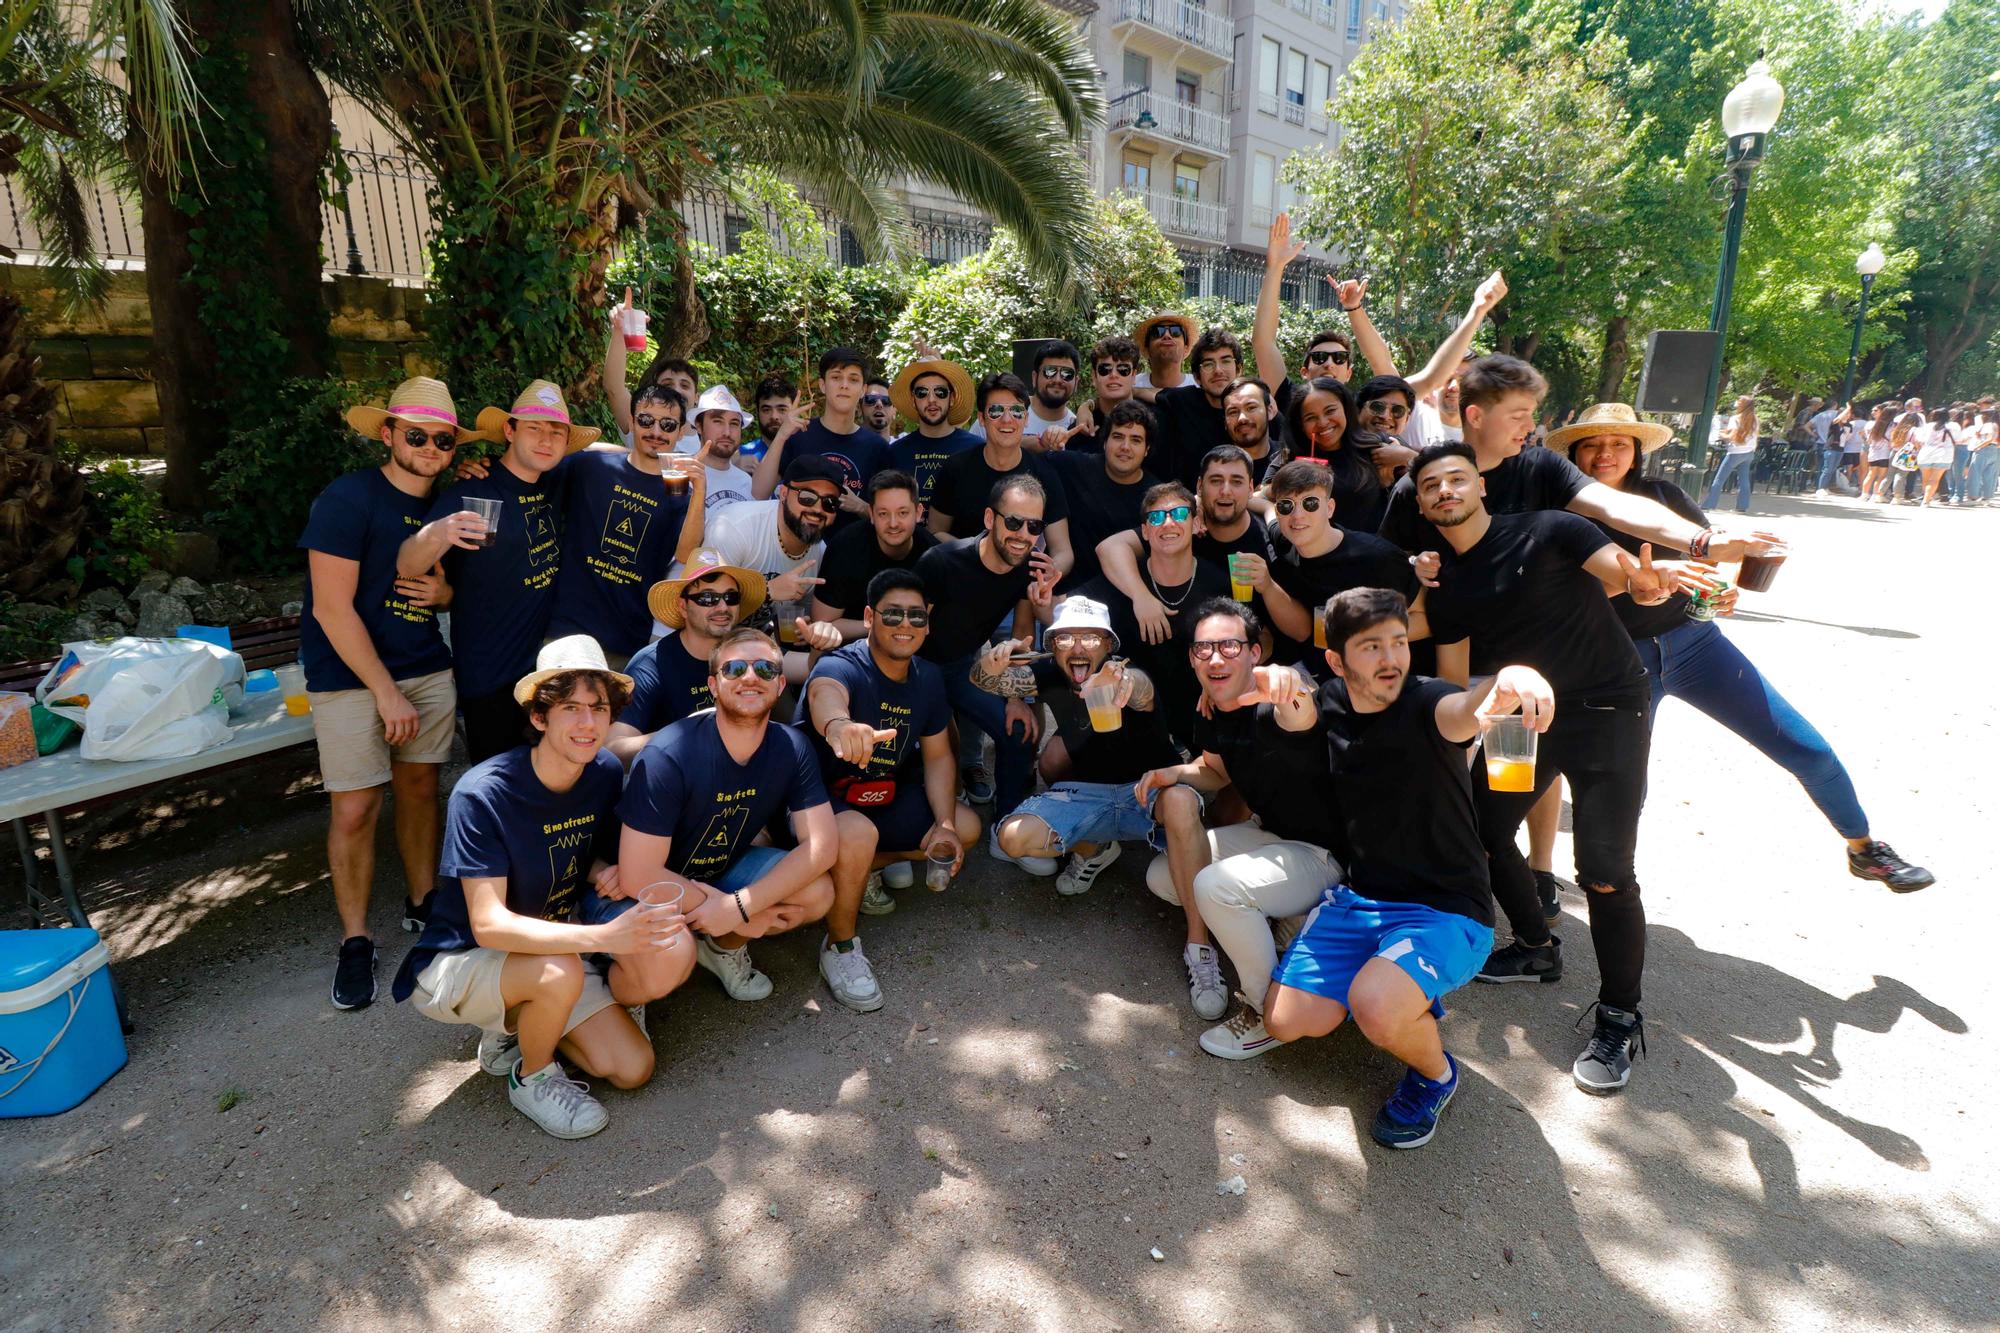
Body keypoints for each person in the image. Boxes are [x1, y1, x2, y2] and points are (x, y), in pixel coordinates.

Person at [1551, 403, 1934, 890]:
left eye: (1618, 444)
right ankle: (1606, 889)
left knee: (1806, 750)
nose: (1606, 453)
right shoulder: (1558, 515)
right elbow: (1557, 599)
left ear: (1635, 452)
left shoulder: (1663, 496)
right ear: (1575, 454)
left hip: (1695, 646)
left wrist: (1717, 591)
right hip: (1615, 663)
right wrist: (1634, 583)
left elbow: (1705, 561)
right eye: (1593, 444)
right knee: (1624, 790)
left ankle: (1864, 848)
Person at [1410, 441, 1678, 1096]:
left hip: (1608, 709)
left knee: (1606, 871)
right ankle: (1535, 944)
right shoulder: (1445, 583)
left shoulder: (1550, 528)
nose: (1444, 489)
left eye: (1456, 478)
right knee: (1482, 825)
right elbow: (1453, 684)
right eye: (1429, 485)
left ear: (1481, 486)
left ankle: (1619, 1013)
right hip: (1518, 721)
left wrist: (1642, 581)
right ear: (1420, 503)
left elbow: (1620, 572)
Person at [1262, 587, 1555, 1150]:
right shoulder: (1331, 700)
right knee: (1288, 1022)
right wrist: (1278, 690)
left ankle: (1435, 1073)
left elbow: (1466, 709)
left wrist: (1509, 677)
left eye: (1398, 642)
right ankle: (1398, 990)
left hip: (1447, 912)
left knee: (1375, 1007)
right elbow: (1299, 716)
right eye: (1370, 647)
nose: (1391, 658)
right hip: (1362, 901)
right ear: (1337, 661)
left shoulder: (1429, 703)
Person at [392, 636, 666, 1139]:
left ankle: (515, 1027)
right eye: (570, 709)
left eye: (598, 708)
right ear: (539, 717)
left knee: (632, 1068)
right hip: (461, 959)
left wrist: (605, 867)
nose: (587, 724)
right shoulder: (482, 793)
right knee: (558, 972)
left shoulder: (602, 770)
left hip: (548, 949)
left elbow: (578, 850)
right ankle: (531, 1075)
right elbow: (489, 924)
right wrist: (605, 939)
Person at [304, 377, 464, 1009]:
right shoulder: (346, 500)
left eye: (442, 439)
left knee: (423, 787)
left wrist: (445, 596)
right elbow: (331, 609)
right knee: (355, 808)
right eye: (417, 434)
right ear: (387, 433)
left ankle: (423, 904)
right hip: (350, 677)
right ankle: (356, 940)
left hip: (424, 664)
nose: (429, 447)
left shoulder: (447, 504)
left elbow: (450, 587)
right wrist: (385, 693)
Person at [1136, 599, 1336, 1052]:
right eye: (1204, 649)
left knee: (1213, 887)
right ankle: (1283, 918)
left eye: (1229, 645)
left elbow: (1299, 714)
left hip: (1324, 855)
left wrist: (1291, 688)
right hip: (1272, 836)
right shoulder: (1211, 707)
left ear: (1254, 651)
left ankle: (1265, 1008)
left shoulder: (1276, 702)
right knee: (1164, 876)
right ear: (1191, 658)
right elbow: (1215, 771)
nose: (1216, 657)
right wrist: (1174, 774)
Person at [614, 629, 839, 1003]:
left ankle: (723, 947)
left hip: (723, 872)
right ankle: (627, 996)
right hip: (645, 885)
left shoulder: (791, 746)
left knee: (815, 892)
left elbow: (822, 846)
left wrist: (738, 907)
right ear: (713, 686)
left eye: (764, 669)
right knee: (669, 953)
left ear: (781, 684)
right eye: (734, 669)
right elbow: (639, 874)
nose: (750, 677)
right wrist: (711, 907)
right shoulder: (669, 753)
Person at [803, 570, 982, 1009]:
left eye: (916, 617)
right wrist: (840, 725)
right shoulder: (842, 664)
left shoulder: (928, 677)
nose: (906, 625)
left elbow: (939, 755)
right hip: (820, 804)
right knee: (857, 836)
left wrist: (942, 823)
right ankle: (840, 946)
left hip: (880, 796)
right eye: (894, 614)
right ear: (869, 617)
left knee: (966, 827)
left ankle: (858, 873)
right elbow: (825, 693)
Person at [401, 379, 596, 764]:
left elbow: (609, 455)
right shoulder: (472, 491)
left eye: (556, 432)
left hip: (543, 673)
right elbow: (408, 563)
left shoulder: (553, 481)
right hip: (489, 676)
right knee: (498, 791)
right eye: (534, 428)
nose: (545, 440)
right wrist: (439, 531)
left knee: (549, 781)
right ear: (509, 431)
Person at [977, 597, 1180, 896]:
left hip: (1149, 791)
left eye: (1091, 637)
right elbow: (984, 681)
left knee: (1183, 816)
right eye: (1066, 637)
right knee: (1012, 838)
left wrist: (1127, 685)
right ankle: (1094, 848)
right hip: (1093, 795)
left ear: (1109, 644)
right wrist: (991, 662)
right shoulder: (1051, 676)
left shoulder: (1124, 673)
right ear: (1053, 646)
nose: (1078, 647)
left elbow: (1141, 688)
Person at [1254, 213, 1504, 438]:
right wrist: (1275, 268)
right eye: (1319, 357)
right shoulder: (1289, 399)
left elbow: (1417, 375)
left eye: (1340, 358)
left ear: (1349, 373)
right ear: (1305, 371)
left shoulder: (1366, 409)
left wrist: (1477, 310)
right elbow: (1263, 343)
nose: (1329, 363)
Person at [914, 474, 1053, 823]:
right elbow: (906, 632)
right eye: (1014, 521)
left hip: (964, 668)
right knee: (929, 749)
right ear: (990, 519)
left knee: (1019, 731)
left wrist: (1016, 698)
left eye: (1034, 526)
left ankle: (1007, 827)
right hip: (916, 671)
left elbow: (1022, 634)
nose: (1023, 534)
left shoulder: (1027, 567)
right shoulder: (941, 561)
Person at [546, 384, 704, 664]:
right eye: (646, 420)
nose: (656, 432)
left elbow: (685, 554)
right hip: (567, 630)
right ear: (631, 422)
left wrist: (699, 489)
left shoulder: (679, 492)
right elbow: (532, 472)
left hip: (626, 639)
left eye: (667, 425)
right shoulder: (592, 465)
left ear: (681, 432)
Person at [1071, 481, 1228, 746]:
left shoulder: (1217, 583)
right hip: (1132, 711)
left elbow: (1251, 644)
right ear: (1144, 530)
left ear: (1196, 523)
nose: (1167, 524)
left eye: (1178, 514)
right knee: (1052, 762)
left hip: (1201, 709)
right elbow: (1069, 609)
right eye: (1156, 517)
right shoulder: (1126, 578)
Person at [1096, 443, 1275, 647]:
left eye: (1236, 482)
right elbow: (1110, 548)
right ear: (1200, 486)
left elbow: (1266, 635)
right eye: (1216, 481)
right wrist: (1141, 596)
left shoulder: (1265, 539)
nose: (1225, 491)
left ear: (1251, 488)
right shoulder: (1178, 524)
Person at [606, 550, 764, 763]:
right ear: (683, 607)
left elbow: (795, 669)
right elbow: (613, 748)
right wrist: (685, 733)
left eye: (731, 597)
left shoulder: (748, 653)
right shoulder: (652, 664)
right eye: (708, 598)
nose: (723, 606)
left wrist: (820, 643)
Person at [1262, 459, 1417, 669]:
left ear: (1330, 508)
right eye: (1286, 505)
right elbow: (1268, 511)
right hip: (1317, 676)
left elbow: (1428, 616)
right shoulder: (1285, 542)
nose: (1297, 516)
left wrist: (1361, 636)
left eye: (1310, 503)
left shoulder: (1377, 558)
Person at [927, 372, 1075, 578]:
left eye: (1016, 411)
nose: (1007, 420)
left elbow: (1063, 551)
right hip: (962, 575)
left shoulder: (1045, 474)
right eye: (996, 411)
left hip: (1021, 585)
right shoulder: (956, 467)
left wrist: (1050, 572)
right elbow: (934, 531)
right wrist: (979, 556)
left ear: (1026, 418)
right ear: (982, 419)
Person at [698, 454, 842, 655]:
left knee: (819, 669)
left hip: (752, 651)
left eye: (829, 503)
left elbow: (794, 619)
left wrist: (804, 630)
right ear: (783, 493)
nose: (817, 509)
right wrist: (766, 592)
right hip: (699, 646)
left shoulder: (819, 554)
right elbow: (703, 608)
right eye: (807, 497)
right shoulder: (734, 528)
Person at [754, 347, 892, 529]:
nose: (844, 385)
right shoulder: (799, 434)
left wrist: (861, 506)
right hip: (798, 549)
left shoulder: (877, 447)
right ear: (822, 385)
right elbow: (758, 492)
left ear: (862, 390)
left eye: (853, 379)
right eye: (836, 377)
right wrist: (781, 435)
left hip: (852, 551)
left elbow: (889, 516)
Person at [811, 470, 939, 640]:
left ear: (918, 512)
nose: (893, 524)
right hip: (853, 648)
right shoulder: (846, 547)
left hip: (914, 647)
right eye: (883, 514)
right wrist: (882, 623)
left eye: (902, 513)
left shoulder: (934, 556)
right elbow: (822, 624)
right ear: (871, 514)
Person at [1045, 400, 1160, 586]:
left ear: (1147, 449)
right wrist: (1045, 441)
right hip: (1065, 595)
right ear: (1105, 442)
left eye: (1136, 440)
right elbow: (1023, 460)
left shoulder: (1157, 499)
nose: (1125, 446)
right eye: (1118, 437)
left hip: (1124, 599)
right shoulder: (1071, 466)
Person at [1281, 376, 1386, 531]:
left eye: (1330, 411)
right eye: (1311, 418)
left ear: (1345, 408)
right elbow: (1261, 496)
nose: (1323, 422)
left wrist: (1406, 458)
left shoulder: (1377, 447)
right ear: (1301, 425)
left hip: (1374, 550)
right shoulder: (1291, 459)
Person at [1146, 327, 1245, 487]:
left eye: (1226, 361)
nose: (1218, 370)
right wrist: (1091, 404)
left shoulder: (1254, 407)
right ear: (1197, 377)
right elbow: (1154, 395)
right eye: (1208, 364)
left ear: (1239, 369)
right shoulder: (1183, 400)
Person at [601, 288, 697, 449]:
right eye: (667, 384)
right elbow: (613, 388)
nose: (676, 390)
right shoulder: (641, 425)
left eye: (685, 385)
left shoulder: (707, 436)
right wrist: (619, 329)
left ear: (697, 398)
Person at [886, 356, 979, 506]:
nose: (931, 400)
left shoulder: (976, 449)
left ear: (952, 398)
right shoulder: (895, 452)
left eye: (940, 392)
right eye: (922, 392)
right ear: (913, 400)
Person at [974, 340, 1078, 448]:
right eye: (1049, 371)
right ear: (1034, 378)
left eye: (1067, 374)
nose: (1057, 379)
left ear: (1076, 382)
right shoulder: (998, 411)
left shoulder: (1075, 429)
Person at [687, 385, 758, 513]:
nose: (727, 432)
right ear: (698, 425)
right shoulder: (683, 476)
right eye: (718, 421)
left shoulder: (746, 481)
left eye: (734, 423)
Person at [1065, 336, 1143, 452]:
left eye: (1123, 369)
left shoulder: (1153, 420)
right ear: (1094, 376)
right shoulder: (1079, 430)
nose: (1113, 375)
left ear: (1133, 376)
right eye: (1105, 369)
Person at [1702, 394, 1760, 512]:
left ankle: (1709, 505)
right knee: (1744, 480)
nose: (1737, 402)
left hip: (1735, 452)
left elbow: (1732, 437)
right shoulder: (1756, 419)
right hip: (1749, 452)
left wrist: (1721, 435)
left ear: (1743, 404)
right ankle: (1742, 507)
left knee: (1719, 479)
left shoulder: (1736, 418)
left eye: (1739, 400)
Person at [1133, 313, 1194, 391]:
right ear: (1146, 350)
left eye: (1176, 331)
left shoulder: (1200, 388)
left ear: (1186, 349)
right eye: (1157, 332)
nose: (1167, 335)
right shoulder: (1132, 385)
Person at [1914, 406, 1957, 506]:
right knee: (1935, 479)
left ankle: (1927, 497)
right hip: (1944, 454)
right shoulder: (1953, 426)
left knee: (1925, 479)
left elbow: (1918, 440)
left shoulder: (1927, 426)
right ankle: (1926, 500)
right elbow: (1959, 439)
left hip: (1926, 453)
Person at [1810, 399, 1850, 496]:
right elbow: (1837, 420)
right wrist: (1848, 408)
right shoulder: (1835, 424)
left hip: (1840, 449)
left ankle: (1825, 487)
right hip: (1830, 448)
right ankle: (1820, 488)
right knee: (1827, 469)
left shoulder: (1849, 425)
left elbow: (1847, 438)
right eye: (1846, 414)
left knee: (1832, 469)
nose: (1848, 415)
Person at [1966, 406, 1999, 505]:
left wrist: (1978, 447)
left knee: (1975, 473)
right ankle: (1987, 498)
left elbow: (1988, 438)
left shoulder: (1988, 425)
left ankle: (1973, 497)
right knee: (1989, 475)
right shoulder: (1996, 425)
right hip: (1994, 450)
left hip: (1984, 449)